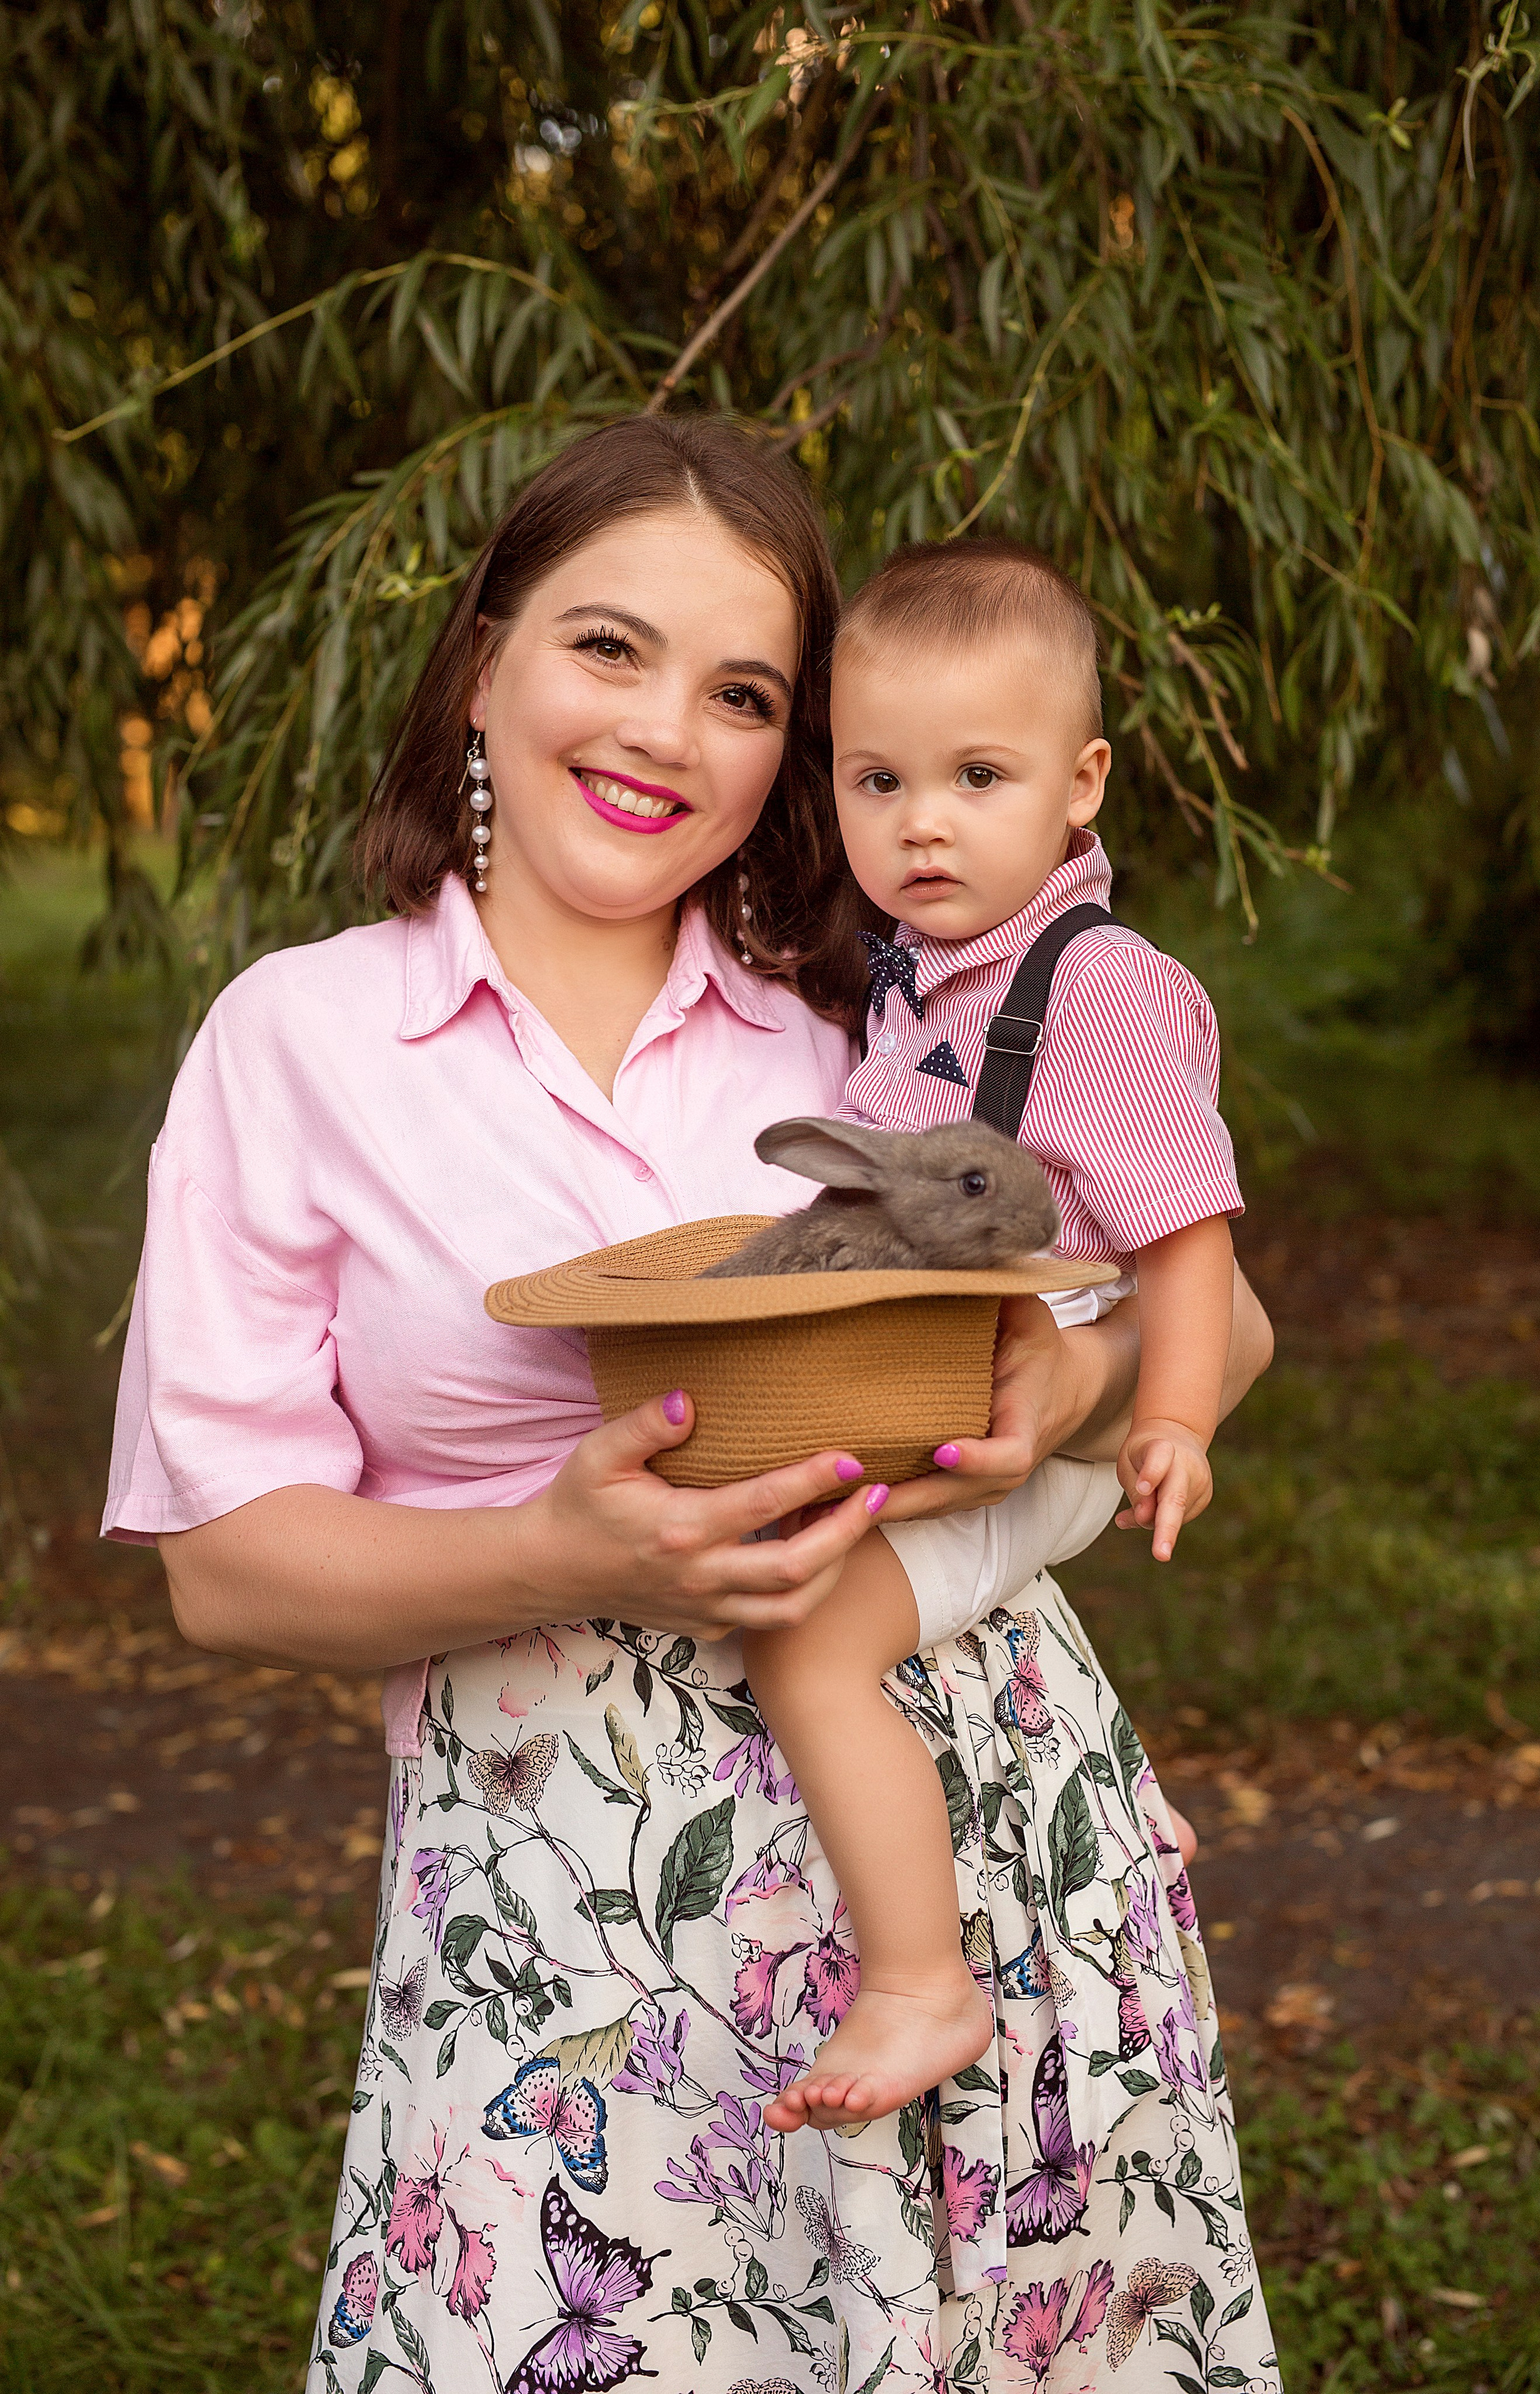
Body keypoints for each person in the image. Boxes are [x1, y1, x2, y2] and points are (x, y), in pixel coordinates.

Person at [104, 418, 1280, 2391]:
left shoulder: (880, 1012)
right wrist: (553, 1551)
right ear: (485, 658)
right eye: (606, 648)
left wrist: (1064, 1383)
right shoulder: (300, 1043)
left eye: (742, 693)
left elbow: (1216, 1321)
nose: (664, 732)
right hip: (566, 1925)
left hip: (982, 1835)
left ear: (792, 748)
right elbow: (224, 1572)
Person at [749, 539, 1243, 2139]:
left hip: (1062, 1396)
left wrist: (1169, 1418)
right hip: (951, 1378)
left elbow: (1185, 1229)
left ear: (1080, 785)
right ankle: (1110, 1799)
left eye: (977, 775)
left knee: (812, 1636)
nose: (923, 821)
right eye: (878, 780)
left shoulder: (1083, 985)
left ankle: (917, 1980)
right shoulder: (919, 979)